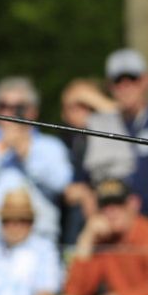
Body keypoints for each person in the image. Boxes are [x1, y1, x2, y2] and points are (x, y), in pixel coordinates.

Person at [0, 76, 72, 244]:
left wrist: (27, 153)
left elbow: (61, 183)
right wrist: (1, 149)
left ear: (33, 111)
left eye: (17, 108)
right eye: (3, 106)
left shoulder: (51, 145)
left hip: (39, 238)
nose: (9, 113)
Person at [89, 49, 148, 227]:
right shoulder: (101, 125)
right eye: (118, 81)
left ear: (146, 81)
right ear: (110, 87)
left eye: (132, 80)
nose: (125, 88)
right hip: (114, 227)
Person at [58, 77, 128, 246]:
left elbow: (118, 111)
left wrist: (85, 94)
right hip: (74, 222)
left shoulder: (109, 133)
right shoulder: (62, 141)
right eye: (75, 107)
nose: (81, 112)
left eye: (86, 106)